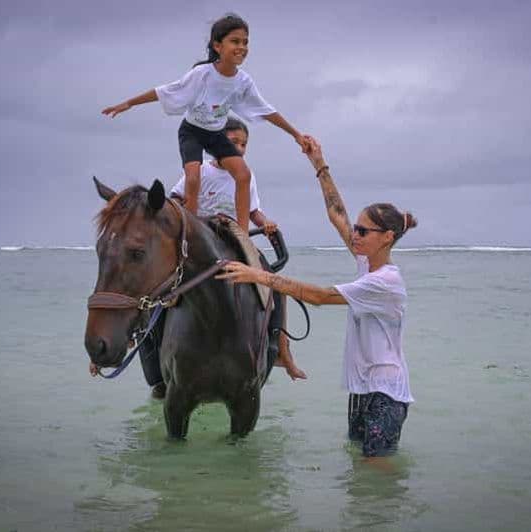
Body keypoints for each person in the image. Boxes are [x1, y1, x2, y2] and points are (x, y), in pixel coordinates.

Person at [217, 137, 418, 460]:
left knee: (378, 472)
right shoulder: (367, 264)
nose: (355, 234)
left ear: (387, 237)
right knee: (360, 471)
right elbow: (337, 214)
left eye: (363, 231)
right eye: (357, 228)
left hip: (386, 393)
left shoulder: (384, 282)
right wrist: (319, 164)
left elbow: (320, 296)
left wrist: (259, 276)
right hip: (364, 388)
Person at [101, 13, 306, 233]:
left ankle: (242, 233)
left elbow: (266, 110)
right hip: (192, 132)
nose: (242, 47)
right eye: (235, 41)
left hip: (216, 134)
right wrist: (129, 103)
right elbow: (168, 90)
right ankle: (191, 231)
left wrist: (296, 135)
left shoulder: (243, 81)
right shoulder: (202, 74)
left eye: (245, 42)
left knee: (243, 175)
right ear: (217, 45)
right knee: (193, 178)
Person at [170, 117, 306, 381]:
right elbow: (176, 197)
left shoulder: (245, 175)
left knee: (273, 283)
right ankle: (140, 333)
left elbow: (253, 211)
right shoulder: (201, 171)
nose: (240, 149)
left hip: (234, 237)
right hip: (203, 236)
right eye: (233, 143)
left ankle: (281, 349)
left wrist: (265, 223)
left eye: (244, 144)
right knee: (164, 277)